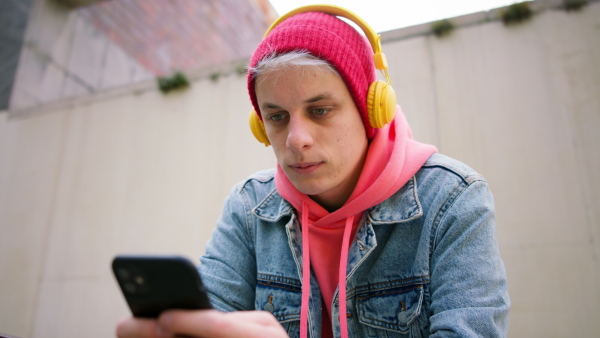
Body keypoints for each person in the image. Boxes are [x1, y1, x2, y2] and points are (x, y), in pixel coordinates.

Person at [116, 5, 510, 338]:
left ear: (372, 109)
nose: (296, 139)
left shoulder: (454, 199)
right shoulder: (248, 206)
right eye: (277, 117)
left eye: (320, 110)